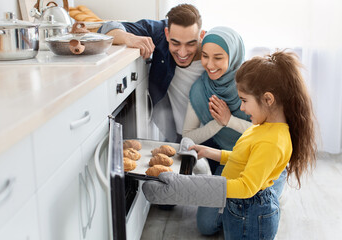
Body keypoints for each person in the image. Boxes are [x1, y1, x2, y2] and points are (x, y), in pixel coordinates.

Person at [142, 50, 317, 239]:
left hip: (252, 213)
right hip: (239, 207)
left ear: (268, 99)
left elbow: (246, 187)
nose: (241, 108)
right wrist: (211, 152)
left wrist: (190, 186)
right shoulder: (262, 127)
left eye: (244, 101)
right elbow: (241, 158)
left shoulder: (271, 141)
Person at [98, 4, 206, 143]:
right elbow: (107, 29)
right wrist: (129, 38)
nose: (182, 52)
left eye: (190, 44)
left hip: (212, 137)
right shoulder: (159, 33)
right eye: (175, 43)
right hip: (176, 138)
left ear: (201, 35)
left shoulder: (216, 51)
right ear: (167, 34)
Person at [182, 26, 251, 175]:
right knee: (220, 194)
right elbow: (187, 136)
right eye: (205, 56)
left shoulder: (253, 84)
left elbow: (269, 133)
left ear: (233, 56)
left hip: (261, 154)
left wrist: (229, 120)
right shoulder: (200, 89)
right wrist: (218, 123)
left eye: (218, 58)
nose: (209, 65)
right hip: (224, 156)